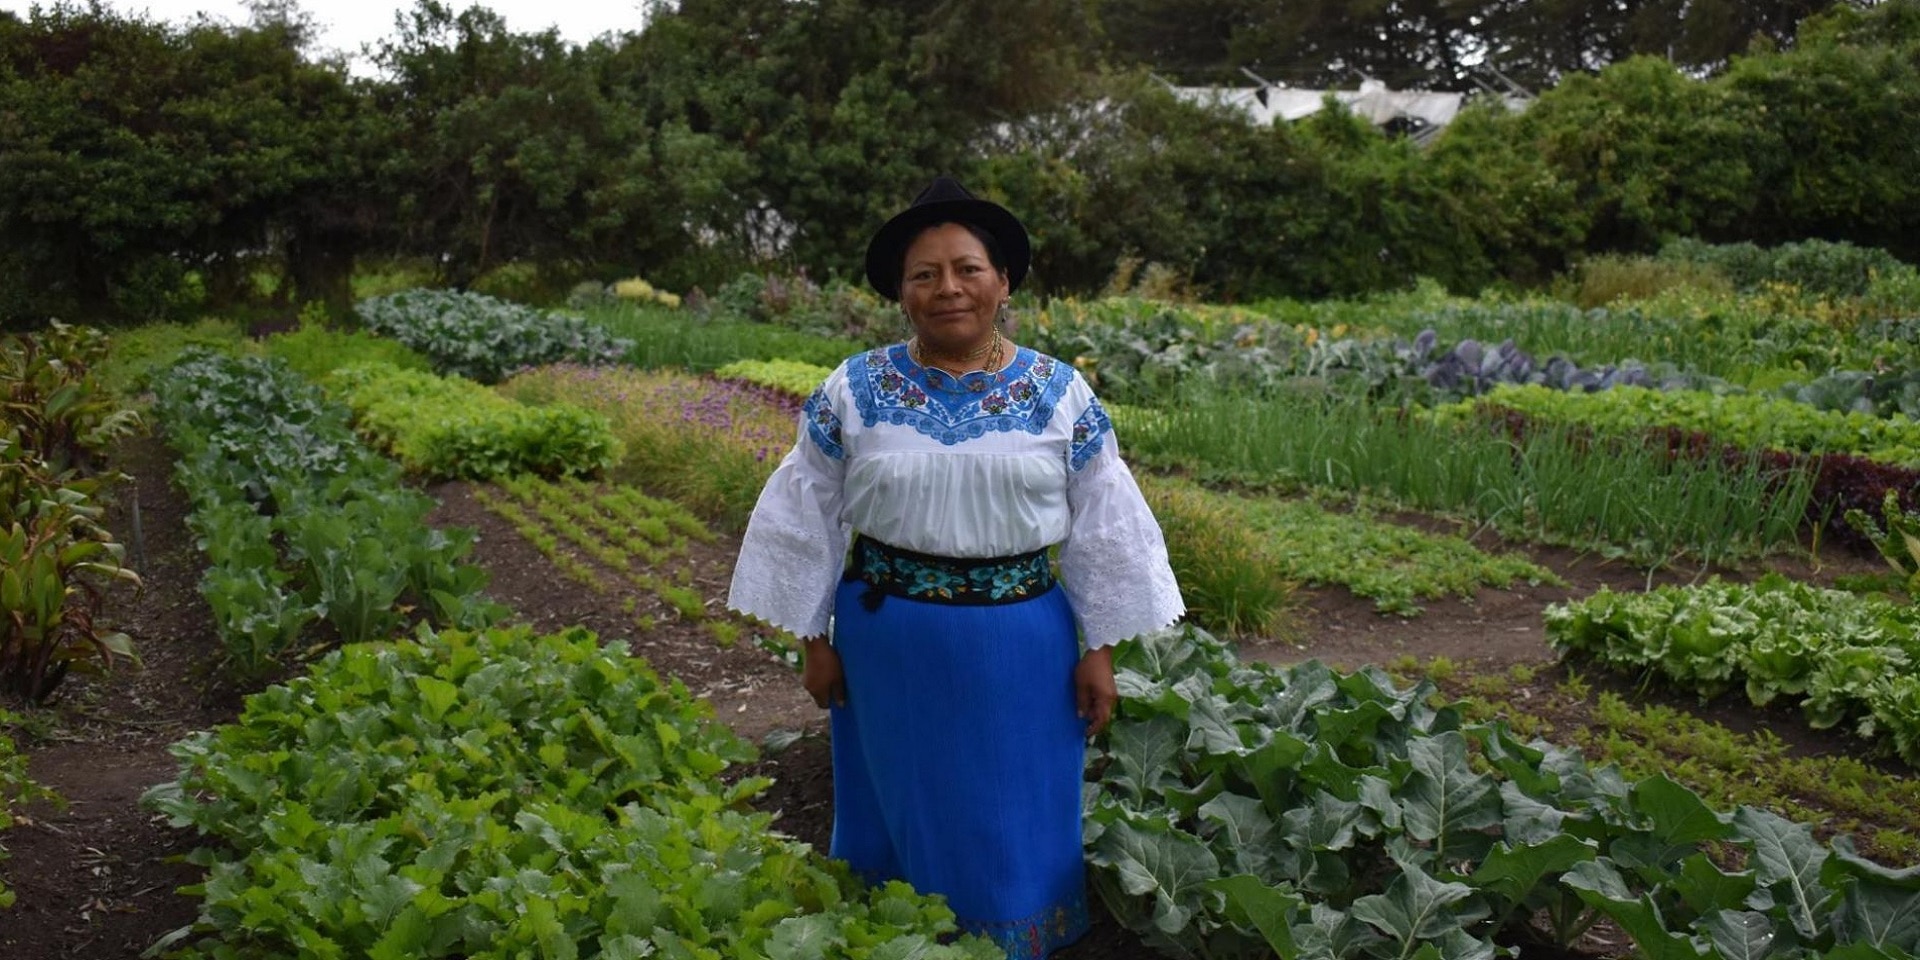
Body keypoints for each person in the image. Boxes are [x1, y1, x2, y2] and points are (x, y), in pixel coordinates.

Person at [727, 176, 1184, 959]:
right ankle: (902, 942)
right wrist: (813, 642)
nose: (948, 289)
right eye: (924, 274)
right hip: (887, 644)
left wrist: (1099, 651)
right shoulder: (855, 390)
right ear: (901, 294)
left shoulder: (1060, 393)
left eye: (967, 269)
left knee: (1013, 814)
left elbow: (1105, 524)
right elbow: (803, 514)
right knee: (899, 809)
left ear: (1003, 282)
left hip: (1022, 647)